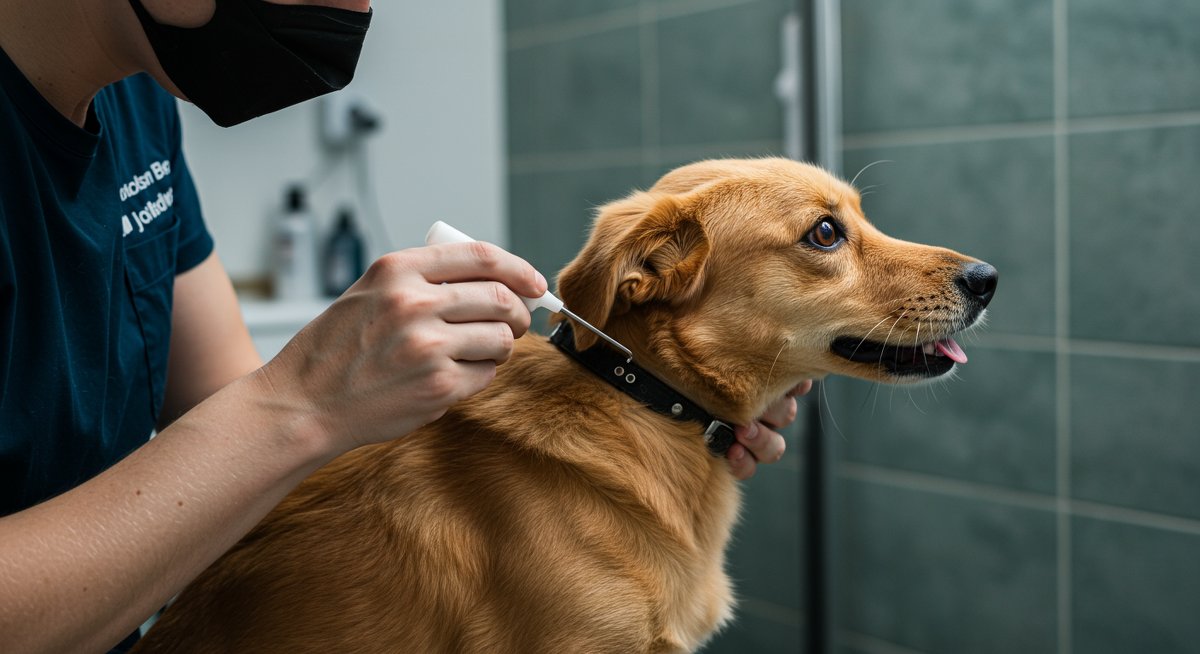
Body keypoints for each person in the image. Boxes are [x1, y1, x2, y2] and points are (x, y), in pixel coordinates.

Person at [0, 1, 811, 652]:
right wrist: (304, 398)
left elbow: (230, 445)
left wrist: (631, 413)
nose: (356, 12)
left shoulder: (137, 106)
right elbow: (267, 418)